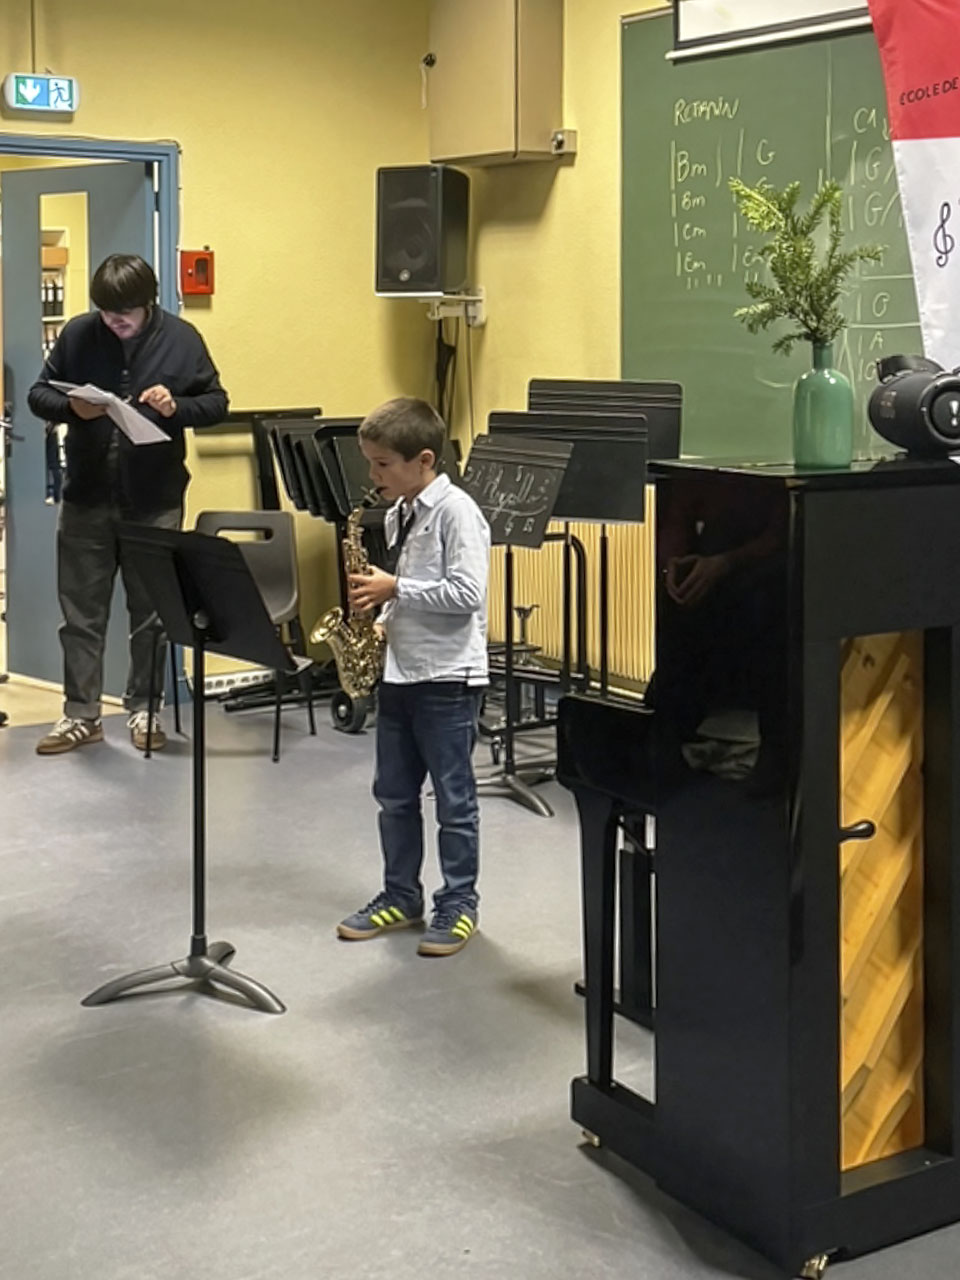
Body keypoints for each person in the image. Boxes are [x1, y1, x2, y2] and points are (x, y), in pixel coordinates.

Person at [27, 253, 228, 755]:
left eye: (125, 315)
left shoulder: (182, 339)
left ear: (148, 304)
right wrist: (70, 407)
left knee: (151, 614)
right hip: (86, 496)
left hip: (154, 499)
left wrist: (175, 407)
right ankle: (81, 715)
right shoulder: (79, 334)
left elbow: (216, 403)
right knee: (80, 614)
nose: (114, 323)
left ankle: (146, 710)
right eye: (106, 313)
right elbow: (38, 394)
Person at [337, 397, 490, 957]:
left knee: (454, 799)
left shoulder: (457, 512)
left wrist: (394, 588)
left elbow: (467, 594)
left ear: (424, 459)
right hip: (400, 674)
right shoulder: (401, 510)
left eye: (382, 464)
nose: (372, 474)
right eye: (370, 463)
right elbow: (416, 588)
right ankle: (401, 895)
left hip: (447, 678)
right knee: (394, 794)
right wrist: (384, 619)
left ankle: (459, 903)